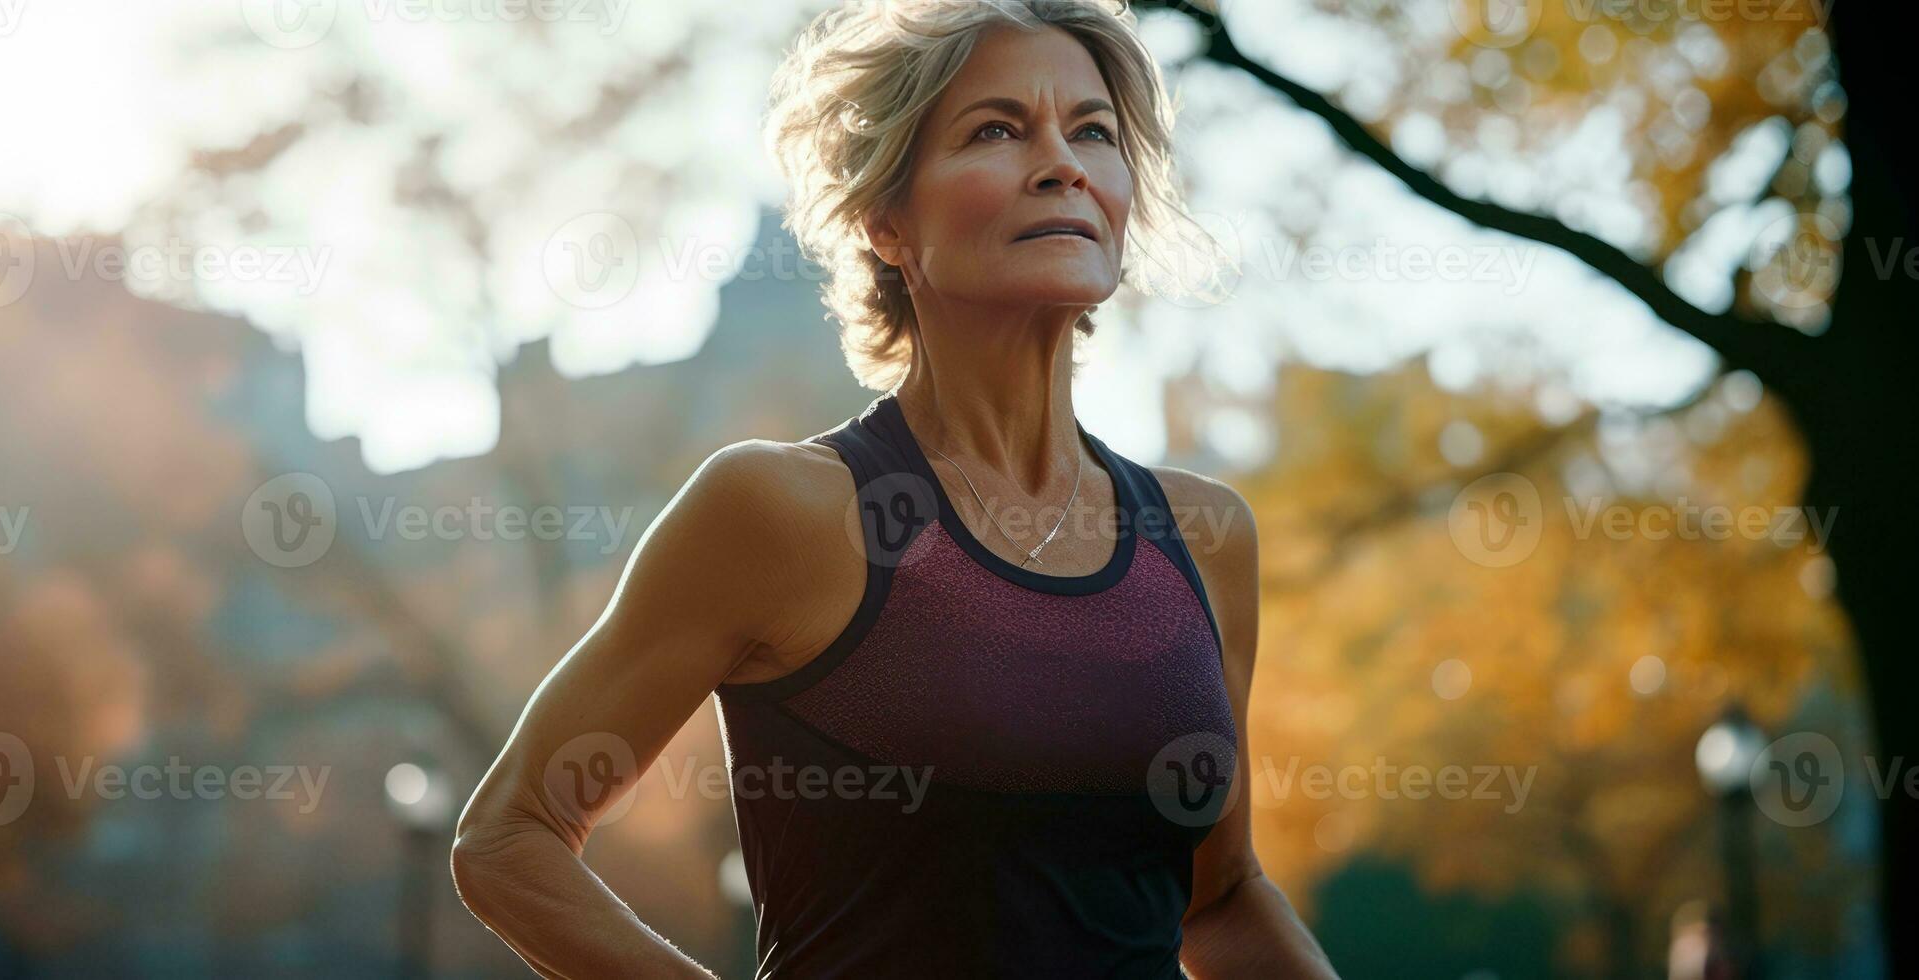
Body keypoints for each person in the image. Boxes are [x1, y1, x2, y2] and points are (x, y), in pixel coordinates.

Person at [450, 2, 1337, 976]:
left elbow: (1219, 898)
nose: (1062, 163)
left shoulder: (1205, 535)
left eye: (1093, 131)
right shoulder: (778, 511)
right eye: (996, 130)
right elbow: (508, 836)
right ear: (887, 223)